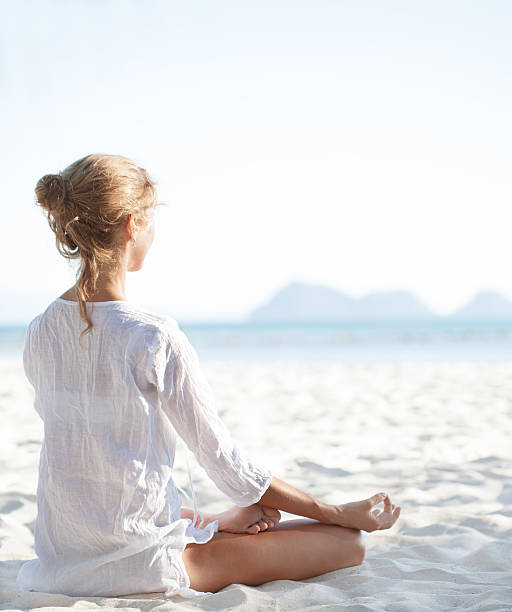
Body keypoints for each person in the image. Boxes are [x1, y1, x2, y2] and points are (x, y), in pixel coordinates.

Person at [17, 153, 400, 599]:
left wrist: (215, 523)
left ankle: (216, 526)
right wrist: (338, 511)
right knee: (344, 543)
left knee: (242, 524)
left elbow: (97, 472)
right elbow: (227, 465)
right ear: (130, 225)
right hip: (140, 568)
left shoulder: (41, 329)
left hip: (59, 563)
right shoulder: (153, 336)